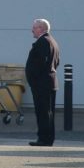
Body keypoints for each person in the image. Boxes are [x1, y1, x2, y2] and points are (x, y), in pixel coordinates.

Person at [25, 18, 61, 146]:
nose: (32, 30)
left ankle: (44, 139)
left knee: (43, 112)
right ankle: (47, 138)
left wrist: (33, 78)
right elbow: (56, 62)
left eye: (34, 28)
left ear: (41, 28)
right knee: (48, 112)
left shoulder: (43, 42)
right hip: (49, 82)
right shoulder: (52, 41)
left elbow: (41, 63)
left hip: (42, 84)